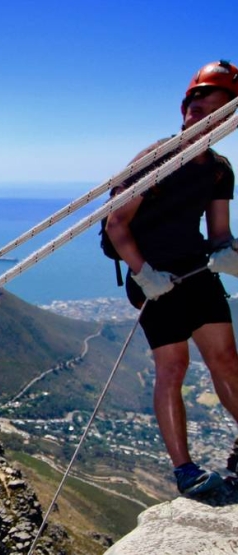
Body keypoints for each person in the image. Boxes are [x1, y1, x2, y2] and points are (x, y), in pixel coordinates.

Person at [105, 60, 238, 497]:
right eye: (194, 107)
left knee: (227, 361)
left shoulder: (219, 170)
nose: (198, 116)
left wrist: (226, 252)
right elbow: (116, 225)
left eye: (212, 110)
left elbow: (219, 231)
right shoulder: (157, 160)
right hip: (152, 276)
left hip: (193, 270)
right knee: (173, 366)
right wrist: (143, 274)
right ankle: (185, 471)